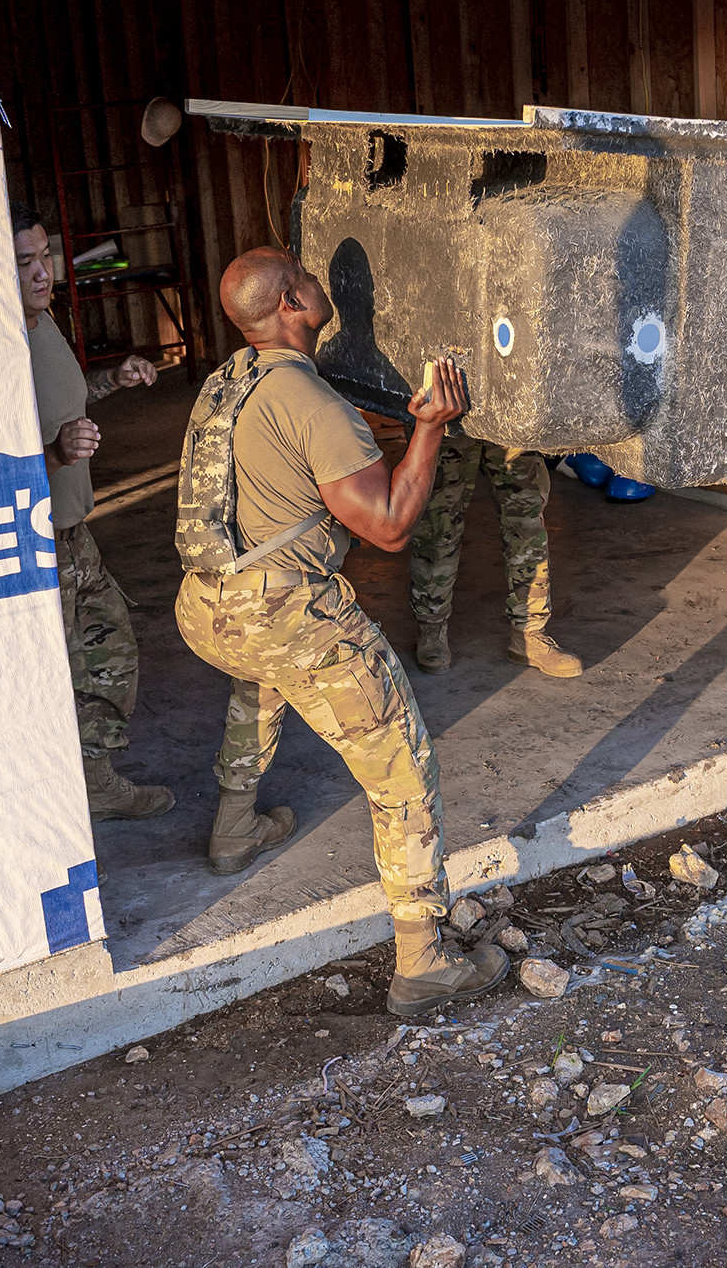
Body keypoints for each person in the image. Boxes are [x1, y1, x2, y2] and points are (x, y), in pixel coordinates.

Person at [172, 247, 509, 1017]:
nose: (325, 283)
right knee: (400, 764)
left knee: (259, 679)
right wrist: (430, 428)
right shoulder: (312, 404)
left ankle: (234, 828)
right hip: (284, 612)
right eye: (311, 275)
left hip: (207, 608)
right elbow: (388, 525)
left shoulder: (230, 379)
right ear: (294, 299)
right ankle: (423, 959)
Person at [13, 207, 172, 822]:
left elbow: (65, 403)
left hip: (73, 534)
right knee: (49, 676)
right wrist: (53, 452)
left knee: (109, 655)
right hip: (31, 545)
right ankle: (47, 810)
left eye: (44, 256)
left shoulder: (42, 324)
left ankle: (96, 783)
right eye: (23, 263)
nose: (41, 271)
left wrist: (113, 379)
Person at [408, 439, 581, 677]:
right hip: (448, 415)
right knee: (439, 523)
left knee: (527, 519)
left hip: (512, 414)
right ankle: (431, 627)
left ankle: (528, 634)